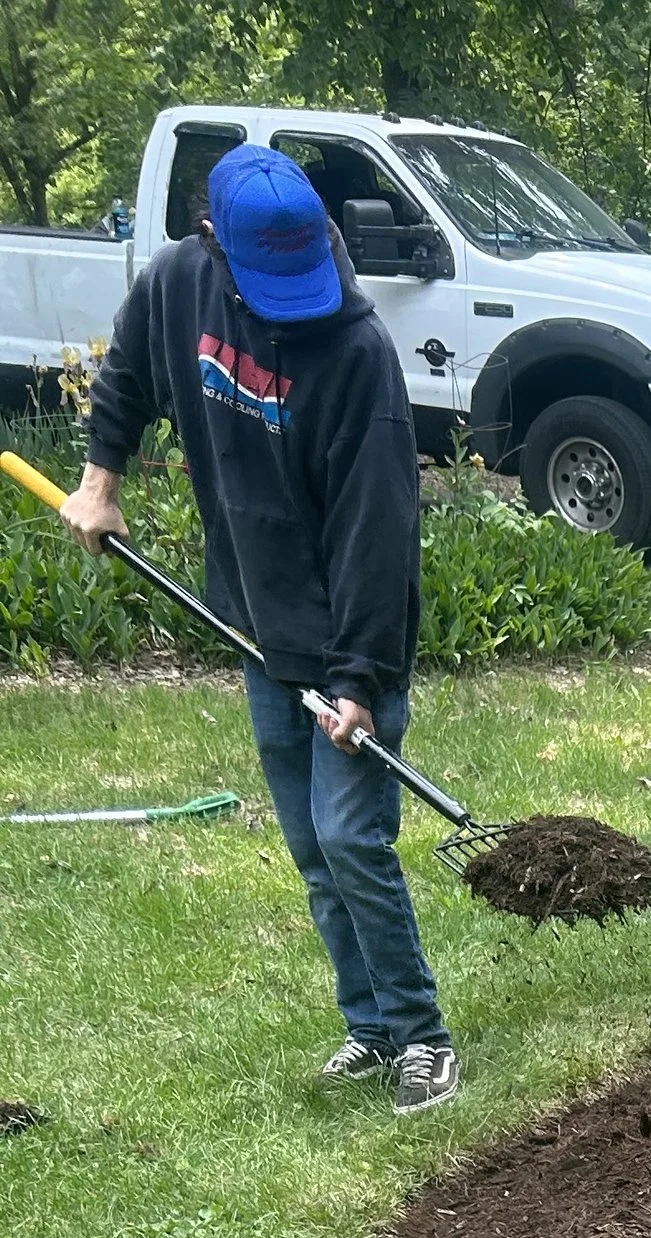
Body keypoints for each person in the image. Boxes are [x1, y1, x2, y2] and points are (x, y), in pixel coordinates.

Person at [59, 144, 459, 1112]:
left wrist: (360, 678)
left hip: (351, 634)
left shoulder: (356, 352)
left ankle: (421, 1036)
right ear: (217, 245)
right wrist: (99, 484)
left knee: (351, 838)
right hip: (256, 623)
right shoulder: (180, 286)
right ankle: (366, 1025)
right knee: (312, 849)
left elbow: (379, 529)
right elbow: (125, 378)